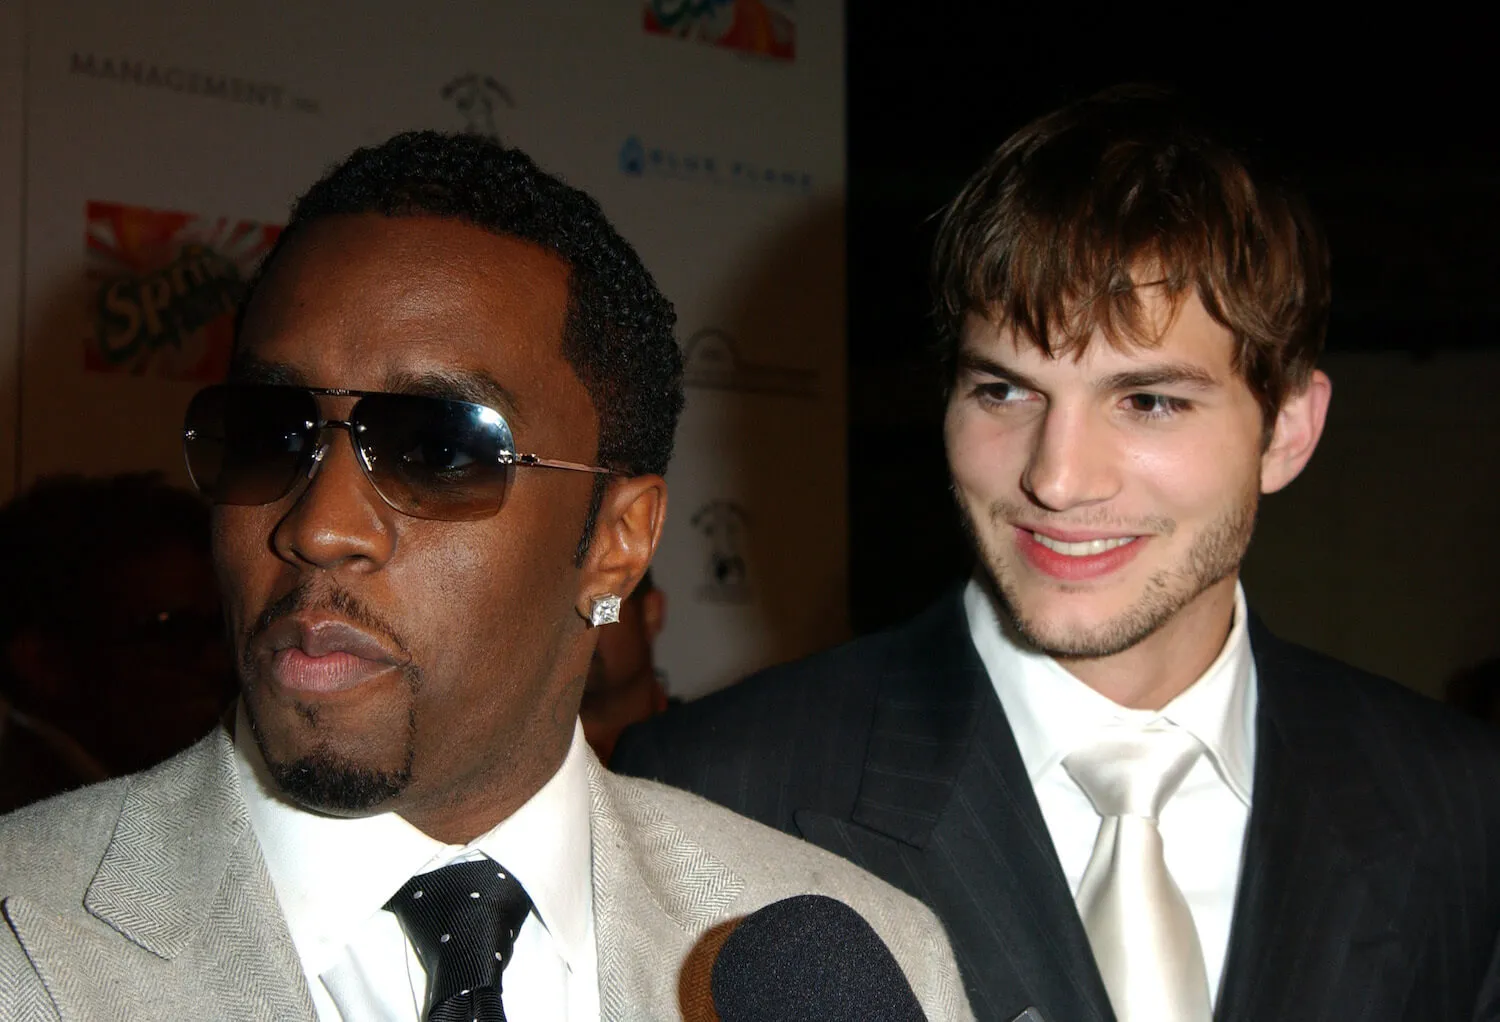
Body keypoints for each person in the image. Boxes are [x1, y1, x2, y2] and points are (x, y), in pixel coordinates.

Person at [0, 132, 972, 1021]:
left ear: (618, 542)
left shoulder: (862, 960)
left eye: (434, 447)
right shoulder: (23, 935)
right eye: (269, 433)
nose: (319, 525)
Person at [615, 87, 1500, 1022]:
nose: (1058, 477)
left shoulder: (1459, 803)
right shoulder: (710, 790)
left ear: (1286, 430)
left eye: (1148, 400)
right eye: (1004, 391)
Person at [0, 472, 232, 812]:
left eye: (222, 626)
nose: (219, 661)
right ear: (44, 661)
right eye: (173, 633)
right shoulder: (29, 828)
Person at [580, 568, 670, 764]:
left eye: (599, 606)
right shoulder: (525, 773)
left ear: (650, 612)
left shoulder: (707, 748)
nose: (579, 625)